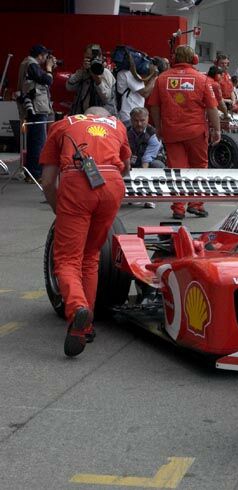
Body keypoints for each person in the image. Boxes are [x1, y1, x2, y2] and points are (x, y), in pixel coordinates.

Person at [39, 107, 131, 357]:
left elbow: (47, 181)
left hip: (78, 184)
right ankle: (85, 328)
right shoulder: (116, 125)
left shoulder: (61, 125)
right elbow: (126, 168)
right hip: (111, 184)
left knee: (67, 259)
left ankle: (78, 307)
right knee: (91, 255)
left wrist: (61, 212)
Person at [148, 45, 221, 220]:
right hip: (195, 132)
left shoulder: (162, 79)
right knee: (199, 168)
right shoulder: (202, 79)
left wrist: (158, 127)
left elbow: (154, 107)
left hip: (171, 131)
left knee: (176, 170)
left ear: (174, 59)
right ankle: (195, 204)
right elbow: (212, 108)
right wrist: (217, 129)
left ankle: (178, 208)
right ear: (194, 59)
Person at [16, 44, 56, 182]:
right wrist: (49, 69)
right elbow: (48, 80)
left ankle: (31, 172)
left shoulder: (25, 63)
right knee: (38, 141)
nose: (47, 59)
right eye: (46, 56)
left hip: (31, 106)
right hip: (37, 107)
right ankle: (36, 173)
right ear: (41, 55)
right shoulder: (32, 65)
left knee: (34, 140)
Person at [66, 43, 116, 115]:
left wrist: (97, 80)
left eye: (94, 58)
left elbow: (106, 98)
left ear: (100, 58)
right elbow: (69, 87)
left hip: (102, 118)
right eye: (88, 58)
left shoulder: (105, 72)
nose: (92, 61)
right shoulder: (83, 72)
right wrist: (82, 71)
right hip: (82, 116)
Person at [116, 58, 158, 124]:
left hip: (132, 114)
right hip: (129, 115)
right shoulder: (128, 74)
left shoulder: (124, 73)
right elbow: (145, 93)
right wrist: (153, 77)